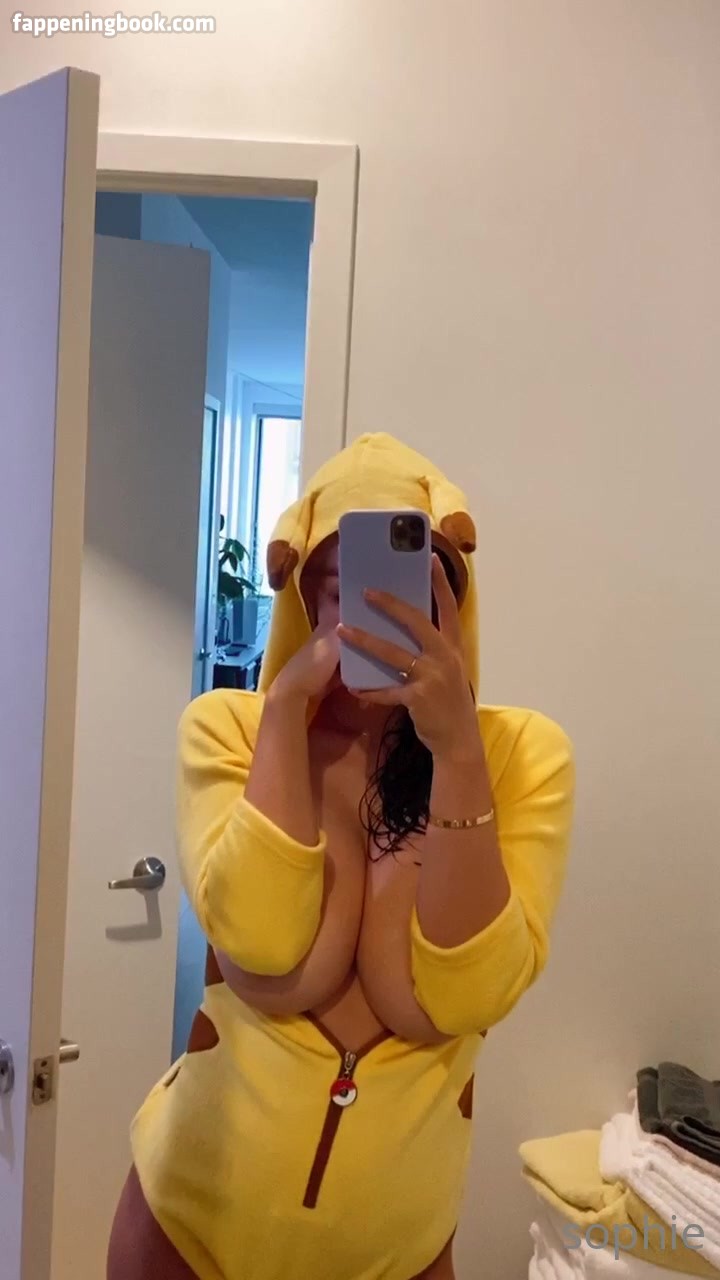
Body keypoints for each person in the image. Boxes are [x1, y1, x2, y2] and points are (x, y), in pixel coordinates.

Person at [107, 431, 575, 1280]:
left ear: (453, 601)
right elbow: (256, 936)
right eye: (340, 590)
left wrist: (457, 752)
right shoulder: (230, 728)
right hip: (182, 1226)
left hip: (399, 1254)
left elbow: (474, 988)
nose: (369, 611)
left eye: (406, 590)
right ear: (303, 600)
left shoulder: (521, 757)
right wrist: (287, 712)